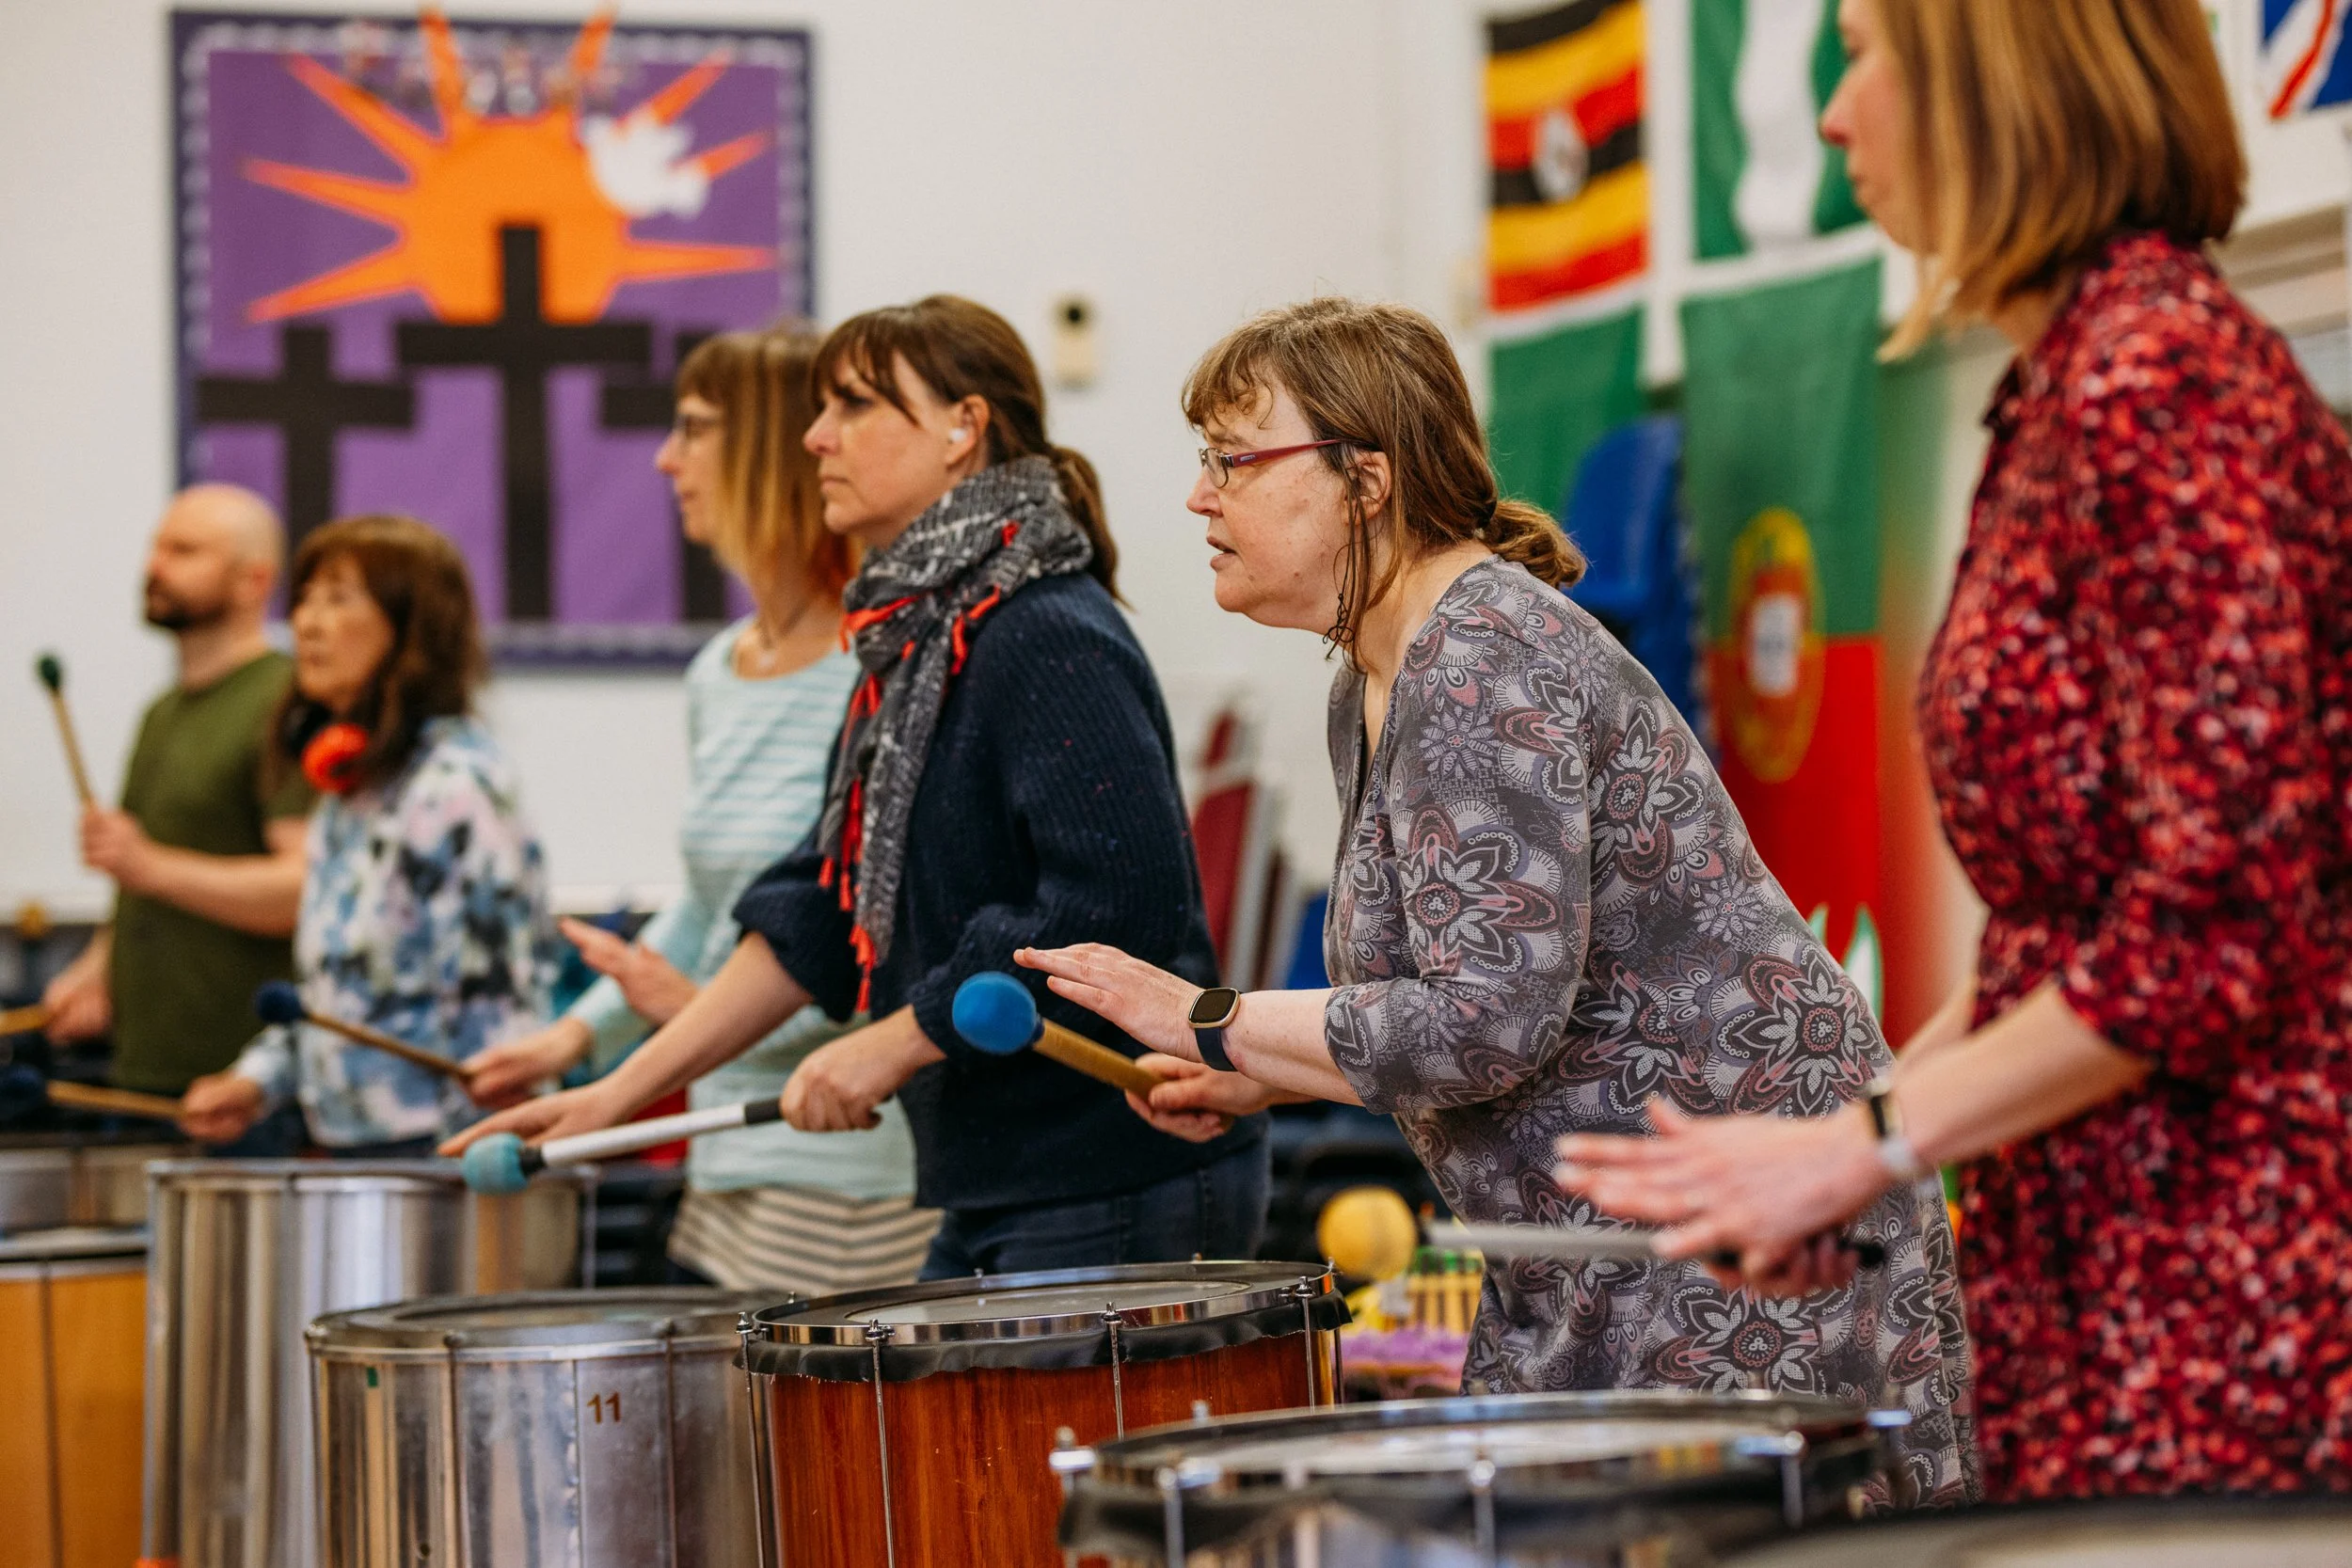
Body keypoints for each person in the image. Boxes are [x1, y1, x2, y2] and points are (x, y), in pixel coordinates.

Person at [1553, 0, 2352, 1501]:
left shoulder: (2158, 384)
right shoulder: (2061, 386)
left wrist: (1867, 1140)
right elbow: (2067, 939)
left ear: (2001, 82)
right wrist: (1843, 1153)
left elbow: (2224, 922)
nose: (1839, 114)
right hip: (2096, 1253)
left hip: (2225, 1284)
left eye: (1867, 54)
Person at [1015, 297, 1974, 1503]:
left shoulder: (1478, 658)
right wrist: (1274, 1064)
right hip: (1616, 1247)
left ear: (1366, 476)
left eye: (1232, 461)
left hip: (1741, 1236)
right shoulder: (1372, 671)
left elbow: (1484, 1023)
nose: (1201, 496)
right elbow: (1480, 1012)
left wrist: (1214, 1015)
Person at [451, 296, 1269, 1275]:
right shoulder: (914, 640)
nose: (814, 438)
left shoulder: (1043, 629)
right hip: (995, 1174)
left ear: (961, 428)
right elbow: (819, 905)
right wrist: (614, 1095)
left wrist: (895, 1040)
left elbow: (1111, 904)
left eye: (852, 407)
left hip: (1110, 1172)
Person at [466, 324, 936, 1294]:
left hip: (851, 1173)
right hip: (727, 1160)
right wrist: (574, 1037)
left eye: (694, 428)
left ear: (771, 443)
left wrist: (692, 1019)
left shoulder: (887, 663)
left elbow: (877, 943)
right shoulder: (717, 670)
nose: (664, 458)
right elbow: (707, 906)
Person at [178, 515, 555, 1157]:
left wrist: (476, 1166)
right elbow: (340, 998)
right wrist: (254, 1081)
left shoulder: (455, 789)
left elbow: (499, 1019)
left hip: (444, 1156)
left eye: (339, 598)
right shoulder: (348, 792)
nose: (307, 622)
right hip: (356, 1150)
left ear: (411, 630)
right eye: (305, 599)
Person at [40, 486, 314, 1145]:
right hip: (143, 1074)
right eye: (156, 547)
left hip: (238, 1089)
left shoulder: (287, 701)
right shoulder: (162, 712)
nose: (154, 566)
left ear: (254, 580)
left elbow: (301, 888)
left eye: (184, 550)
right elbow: (142, 880)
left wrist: (150, 865)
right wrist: (93, 969)